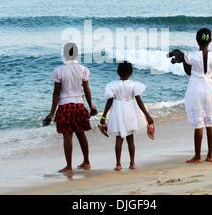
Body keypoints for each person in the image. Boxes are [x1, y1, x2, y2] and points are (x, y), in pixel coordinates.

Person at [168, 28, 212, 163]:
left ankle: (197, 156)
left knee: (199, 123)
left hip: (195, 88)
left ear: (197, 40)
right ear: (210, 40)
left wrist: (183, 60)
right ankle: (210, 155)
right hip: (210, 88)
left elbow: (189, 72)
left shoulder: (191, 56)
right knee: (210, 123)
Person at [42, 42, 98, 174]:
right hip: (79, 105)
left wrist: (51, 113)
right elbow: (87, 90)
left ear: (64, 54)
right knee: (81, 134)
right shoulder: (83, 69)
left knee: (67, 136)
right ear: (77, 54)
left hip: (65, 106)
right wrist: (91, 106)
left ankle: (68, 166)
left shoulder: (59, 70)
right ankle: (86, 161)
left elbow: (56, 93)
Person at [99, 61, 154, 171]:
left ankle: (118, 164)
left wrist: (104, 116)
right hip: (130, 111)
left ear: (118, 72)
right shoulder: (134, 85)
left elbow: (109, 102)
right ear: (131, 72)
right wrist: (147, 115)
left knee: (119, 139)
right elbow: (139, 102)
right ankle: (132, 163)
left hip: (118, 112)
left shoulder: (112, 85)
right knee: (130, 139)